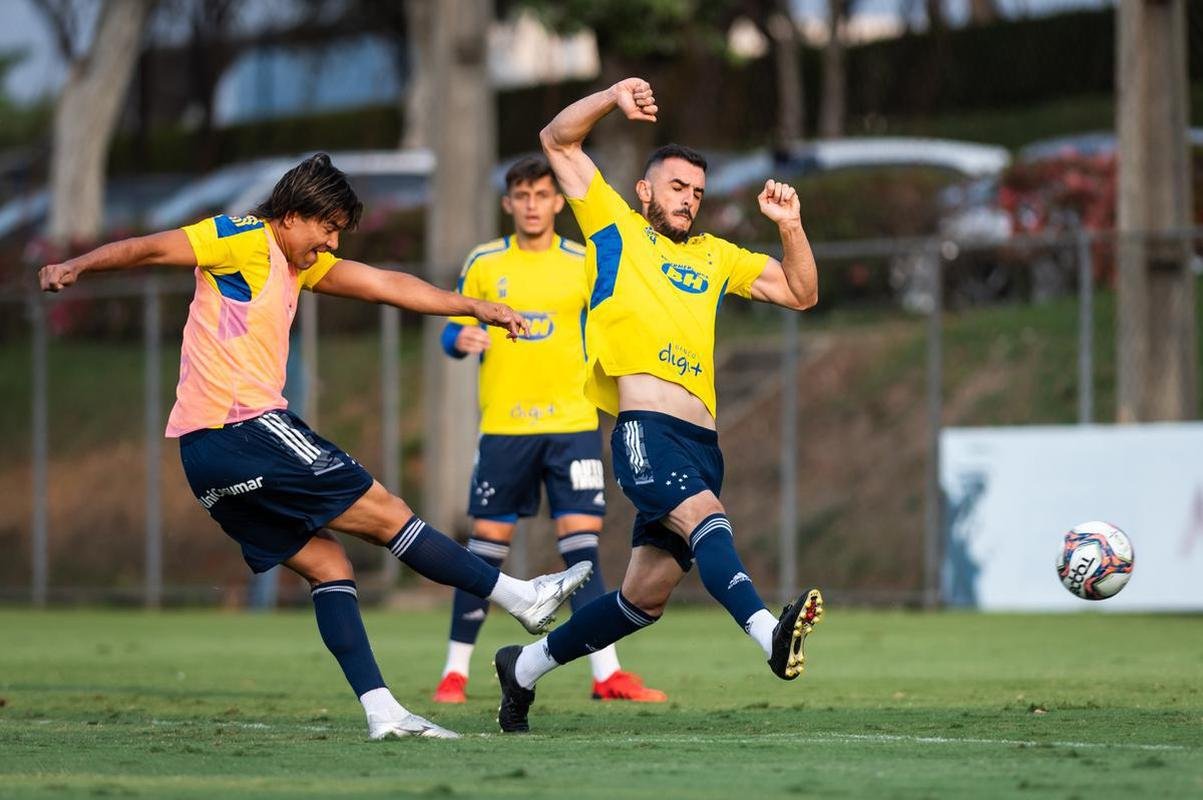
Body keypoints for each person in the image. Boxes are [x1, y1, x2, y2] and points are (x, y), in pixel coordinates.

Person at [38, 153, 594, 740]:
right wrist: (77, 265)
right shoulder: (242, 238)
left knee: (328, 564)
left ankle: (383, 711)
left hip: (203, 458)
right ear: (292, 214)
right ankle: (520, 596)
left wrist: (474, 305)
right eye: (326, 227)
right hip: (245, 428)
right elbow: (152, 247)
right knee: (386, 514)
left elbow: (385, 285)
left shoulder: (297, 264)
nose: (330, 243)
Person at [493, 79, 824, 733]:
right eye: (676, 187)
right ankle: (768, 635)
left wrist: (789, 227)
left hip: (702, 443)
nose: (688, 200)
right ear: (645, 191)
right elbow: (556, 138)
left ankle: (522, 667)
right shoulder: (613, 225)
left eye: (697, 192)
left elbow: (800, 292)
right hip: (644, 431)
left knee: (643, 600)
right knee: (708, 518)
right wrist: (613, 95)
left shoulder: (714, 255)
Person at [432, 156, 665, 704]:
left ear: (559, 202)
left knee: (582, 550)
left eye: (542, 194)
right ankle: (454, 673)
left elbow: (611, 325)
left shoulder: (583, 262)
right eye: (522, 195)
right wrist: (458, 341)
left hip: (573, 424)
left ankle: (606, 674)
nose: (533, 205)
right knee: (485, 549)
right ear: (508, 203)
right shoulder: (485, 262)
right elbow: (452, 329)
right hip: (505, 428)